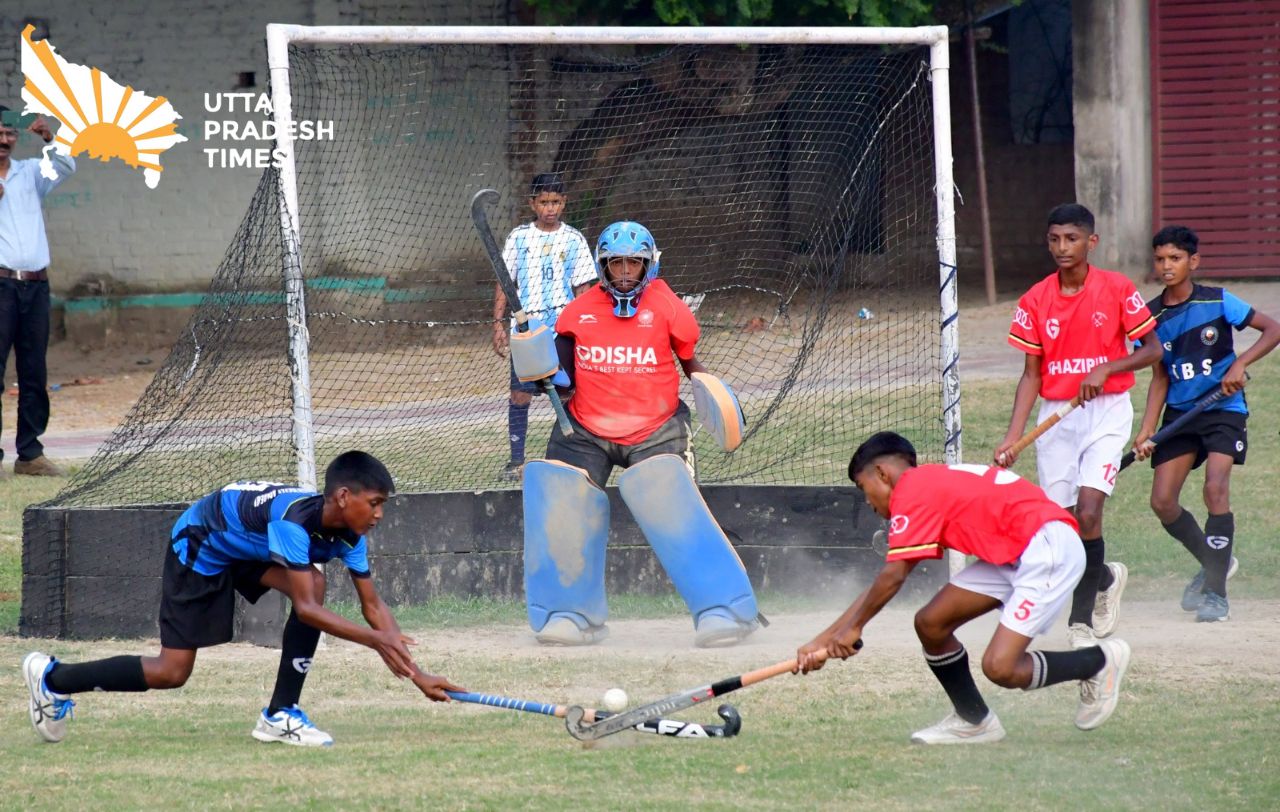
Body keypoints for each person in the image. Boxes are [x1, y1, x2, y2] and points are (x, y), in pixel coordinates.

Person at [23, 451, 462, 746]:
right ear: (344, 497)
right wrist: (375, 641)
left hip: (245, 547)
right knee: (171, 672)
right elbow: (308, 612)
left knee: (312, 582)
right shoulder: (295, 523)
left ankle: (280, 714)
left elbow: (372, 607)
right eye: (376, 502)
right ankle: (52, 679)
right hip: (202, 544)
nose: (380, 514)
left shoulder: (351, 532)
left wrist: (417, 673)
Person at [795, 432, 1131, 745]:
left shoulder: (911, 491)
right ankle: (974, 721)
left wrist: (852, 628)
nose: (867, 502)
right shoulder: (926, 484)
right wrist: (825, 639)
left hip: (1046, 548)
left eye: (862, 486)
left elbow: (893, 576)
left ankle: (1098, 662)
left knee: (1000, 667)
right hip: (1017, 549)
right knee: (931, 622)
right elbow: (890, 576)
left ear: (882, 473)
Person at [517, 220, 760, 648]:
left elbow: (691, 365)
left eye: (634, 262)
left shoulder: (669, 308)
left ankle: (723, 608)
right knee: (561, 494)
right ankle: (569, 614)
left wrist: (718, 398)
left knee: (672, 504)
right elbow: (565, 375)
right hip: (584, 428)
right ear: (602, 266)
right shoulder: (579, 311)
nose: (625, 271)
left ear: (649, 263)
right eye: (616, 264)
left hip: (656, 428)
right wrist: (543, 373)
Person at [994, 203, 1162, 649]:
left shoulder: (1118, 288)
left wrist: (1108, 367)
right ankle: (1105, 575)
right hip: (1057, 415)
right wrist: (1014, 437)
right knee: (1065, 524)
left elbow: (1152, 351)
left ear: (1092, 242)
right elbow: (1031, 374)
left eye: (1071, 239)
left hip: (1107, 410)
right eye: (1054, 239)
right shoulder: (1034, 299)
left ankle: (1080, 621)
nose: (1062, 247)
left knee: (1089, 511)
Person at [1131, 225, 1280, 622]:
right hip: (1180, 416)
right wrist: (1147, 428)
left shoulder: (1218, 300)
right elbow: (1160, 377)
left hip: (1223, 409)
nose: (1167, 266)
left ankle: (1215, 593)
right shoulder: (1149, 316)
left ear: (1192, 262)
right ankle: (1217, 561)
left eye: (1175, 259)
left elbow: (1273, 329)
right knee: (1162, 501)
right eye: (1160, 259)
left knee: (1215, 488)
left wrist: (1241, 364)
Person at [491, 172, 596, 481]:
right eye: (544, 202)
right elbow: (504, 281)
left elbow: (583, 289)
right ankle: (516, 461)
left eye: (556, 202)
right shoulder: (518, 238)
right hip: (526, 333)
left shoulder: (574, 239)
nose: (550, 208)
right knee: (519, 395)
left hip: (561, 332)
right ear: (532, 204)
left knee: (566, 395)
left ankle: (573, 458)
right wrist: (498, 324)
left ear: (564, 203)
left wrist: (584, 328)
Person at [0, 106, 75, 477]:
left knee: (33, 372)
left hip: (35, 285)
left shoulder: (29, 172)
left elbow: (64, 167)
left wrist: (48, 138)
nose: (3, 141)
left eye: (9, 134)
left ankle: (30, 455)